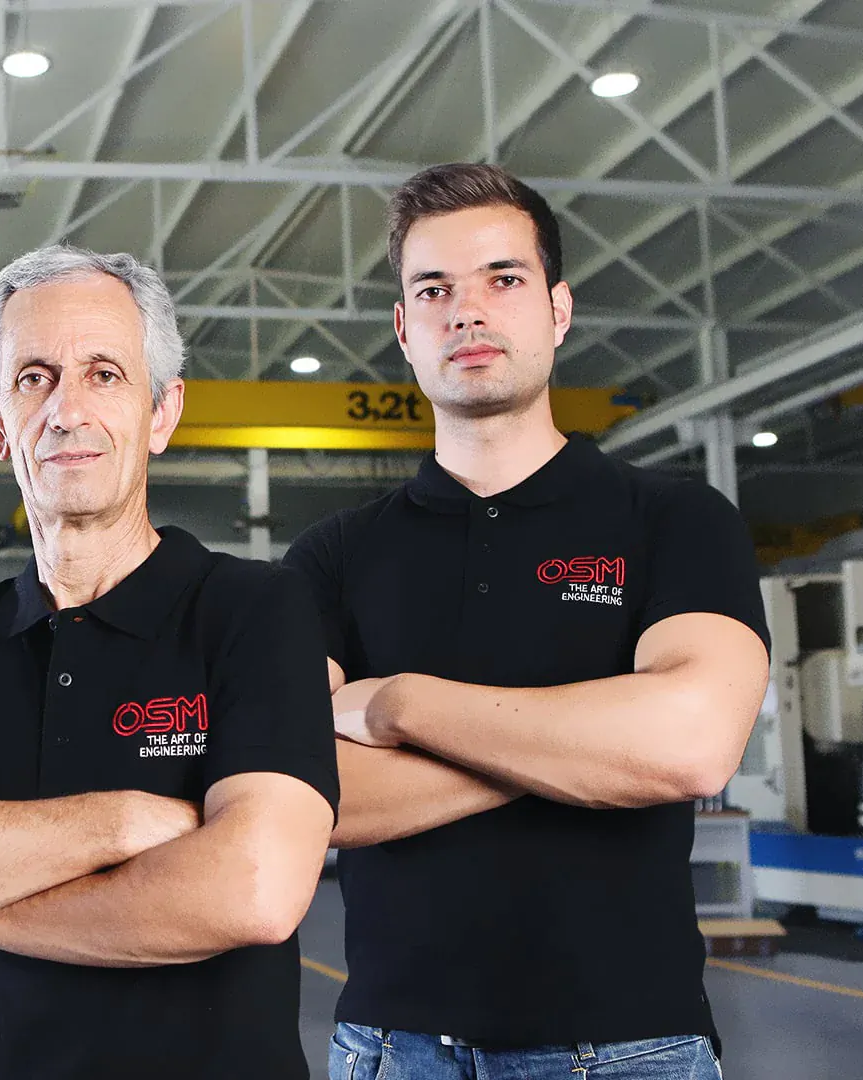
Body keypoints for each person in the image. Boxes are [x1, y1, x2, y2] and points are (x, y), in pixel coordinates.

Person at [283, 163, 770, 1079]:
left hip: (635, 1047)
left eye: (503, 280)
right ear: (403, 328)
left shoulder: (676, 521)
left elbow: (693, 747)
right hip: (392, 1050)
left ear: (557, 308)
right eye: (434, 290)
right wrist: (588, 749)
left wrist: (398, 708)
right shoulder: (331, 558)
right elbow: (306, 797)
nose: (466, 311)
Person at [0, 245, 340, 1080]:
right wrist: (122, 824)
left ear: (162, 413)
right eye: (34, 378)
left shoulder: (254, 611)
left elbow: (254, 889)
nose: (67, 410)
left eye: (104, 373)